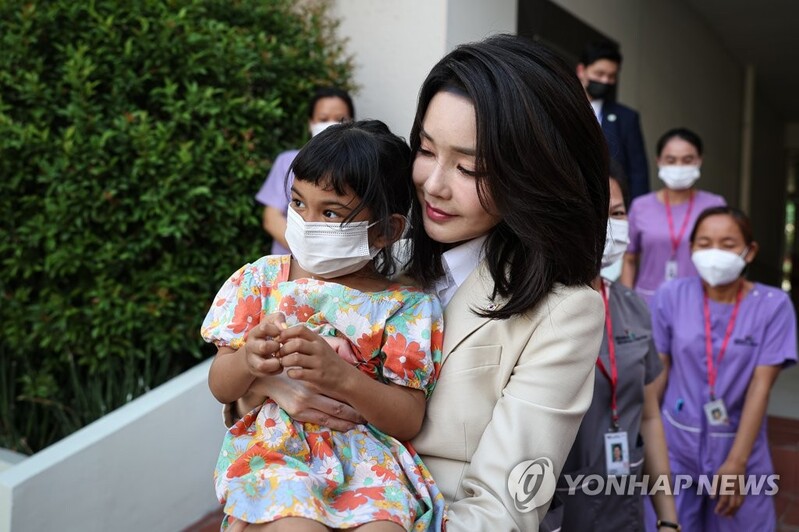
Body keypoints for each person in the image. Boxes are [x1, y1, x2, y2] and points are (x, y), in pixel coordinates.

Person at [239, 34, 610, 530]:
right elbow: (250, 380)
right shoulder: (375, 251)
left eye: (469, 167)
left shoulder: (564, 312)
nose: (434, 184)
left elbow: (504, 508)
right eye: (426, 150)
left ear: (531, 174)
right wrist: (267, 385)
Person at [202, 120, 445, 531]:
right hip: (278, 455)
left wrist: (342, 378)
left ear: (387, 230)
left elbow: (408, 419)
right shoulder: (260, 281)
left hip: (371, 463)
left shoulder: (404, 307)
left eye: (330, 212)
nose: (307, 222)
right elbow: (221, 386)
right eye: (298, 204)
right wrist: (247, 360)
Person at [541, 174, 679, 532]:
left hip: (622, 507)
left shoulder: (632, 306)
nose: (607, 226)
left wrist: (668, 519)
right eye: (593, 213)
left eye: (617, 213)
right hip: (554, 509)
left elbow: (649, 418)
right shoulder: (539, 309)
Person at [652, 206, 796, 531]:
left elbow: (761, 386)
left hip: (740, 445)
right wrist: (646, 438)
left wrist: (737, 462)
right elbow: (659, 372)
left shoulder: (773, 305)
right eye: (704, 243)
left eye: (728, 244)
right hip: (676, 445)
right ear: (691, 250)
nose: (715, 252)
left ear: (750, 250)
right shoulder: (670, 296)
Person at [621, 128, 726, 306]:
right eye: (671, 160)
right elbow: (629, 259)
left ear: (699, 161)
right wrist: (626, 303)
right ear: (659, 161)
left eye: (687, 160)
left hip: (697, 304)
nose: (679, 166)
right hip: (647, 304)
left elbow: (722, 259)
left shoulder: (714, 205)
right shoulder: (641, 206)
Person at [255, 87, 355, 254]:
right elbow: (271, 218)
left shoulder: (359, 168)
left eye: (340, 119)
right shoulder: (287, 161)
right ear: (311, 123)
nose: (331, 125)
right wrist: (307, 254)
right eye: (323, 119)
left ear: (352, 122)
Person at [576, 40, 649, 200]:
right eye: (599, 74)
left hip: (611, 206)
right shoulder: (563, 108)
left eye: (611, 76)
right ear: (581, 70)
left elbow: (638, 173)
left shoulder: (627, 118)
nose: (605, 81)